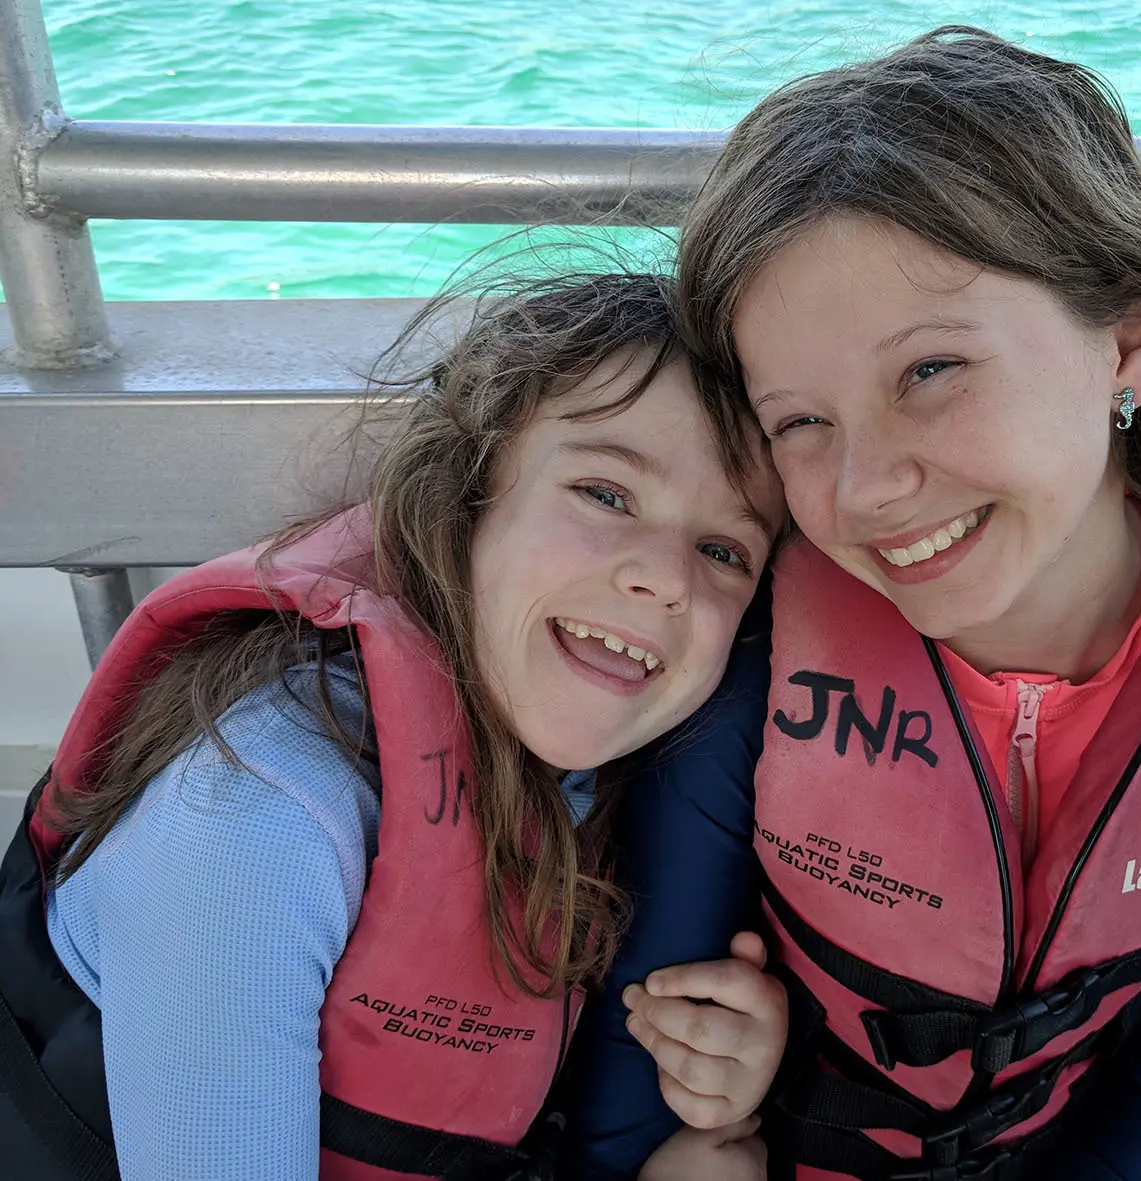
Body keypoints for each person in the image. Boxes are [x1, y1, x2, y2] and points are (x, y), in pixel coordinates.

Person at [569, 28, 1141, 1181]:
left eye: (930, 371)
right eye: (800, 421)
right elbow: (630, 1089)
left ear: (1129, 341)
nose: (864, 489)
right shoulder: (755, 651)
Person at [0, 271, 787, 1181]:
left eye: (724, 550)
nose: (666, 578)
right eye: (606, 494)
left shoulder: (599, 766)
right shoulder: (255, 816)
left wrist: (711, 1060)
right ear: (467, 495)